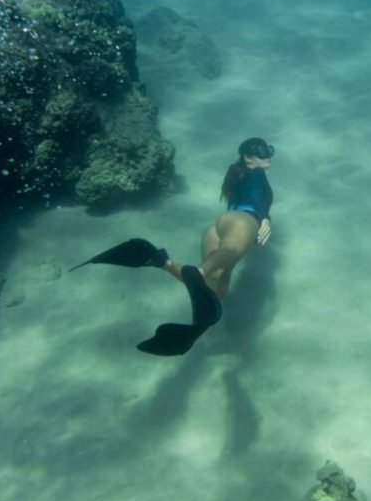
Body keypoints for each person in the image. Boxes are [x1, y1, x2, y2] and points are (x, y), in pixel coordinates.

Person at [71, 137, 275, 356]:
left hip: (218, 225)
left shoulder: (236, 173)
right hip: (244, 220)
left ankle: (162, 261)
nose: (268, 160)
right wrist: (265, 217)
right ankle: (199, 270)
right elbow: (257, 197)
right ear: (248, 158)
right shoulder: (256, 174)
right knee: (231, 253)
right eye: (262, 156)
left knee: (215, 288)